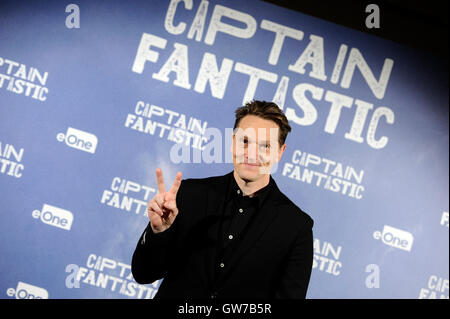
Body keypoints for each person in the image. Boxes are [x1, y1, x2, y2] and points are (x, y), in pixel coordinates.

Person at [131, 100, 314, 299]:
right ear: (232, 141)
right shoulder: (190, 194)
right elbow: (143, 274)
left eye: (265, 146)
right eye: (245, 141)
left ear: (280, 152)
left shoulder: (296, 227)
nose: (252, 153)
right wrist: (159, 232)